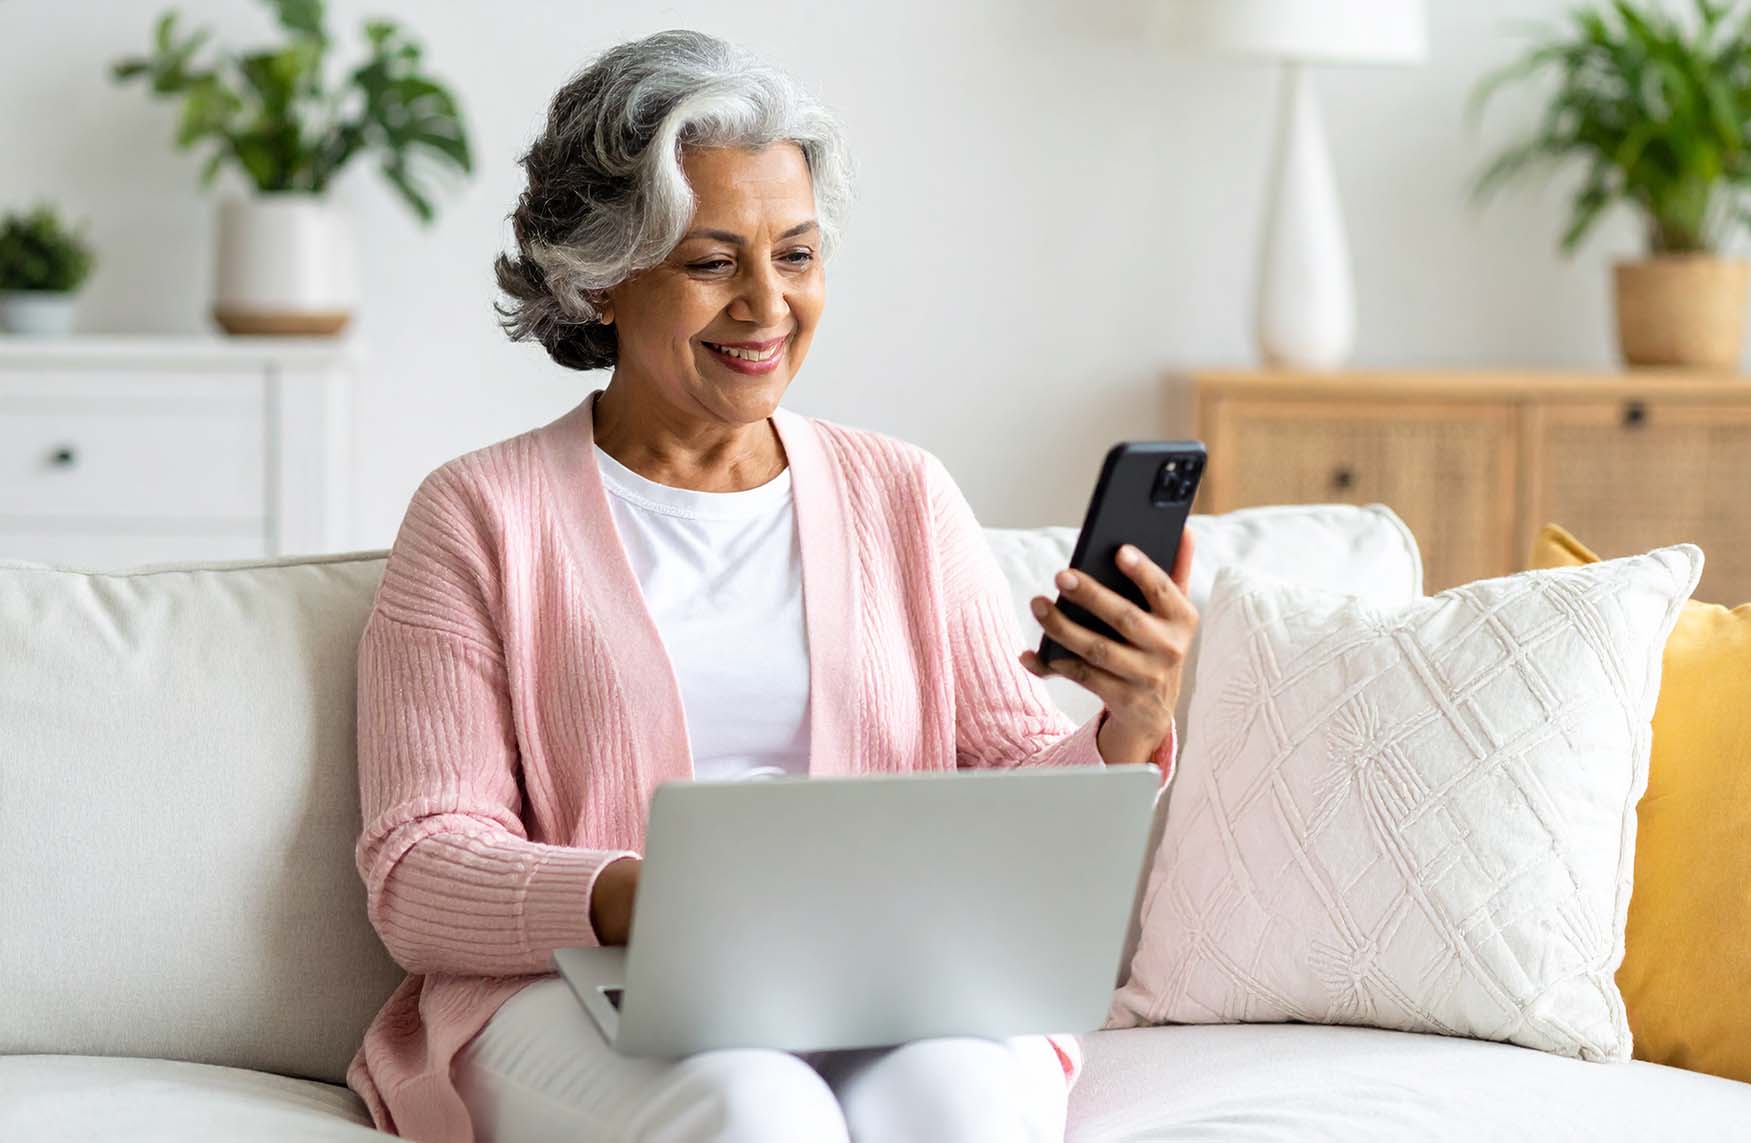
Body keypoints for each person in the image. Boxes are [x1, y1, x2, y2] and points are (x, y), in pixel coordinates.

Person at [346, 29, 1196, 1143]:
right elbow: (416, 867)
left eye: (793, 256)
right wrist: (645, 899)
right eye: (711, 264)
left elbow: (1007, 784)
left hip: (895, 983)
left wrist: (1126, 726)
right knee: (757, 1109)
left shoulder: (902, 492)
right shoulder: (478, 516)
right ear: (600, 279)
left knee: (963, 1104)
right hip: (590, 987)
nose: (766, 305)